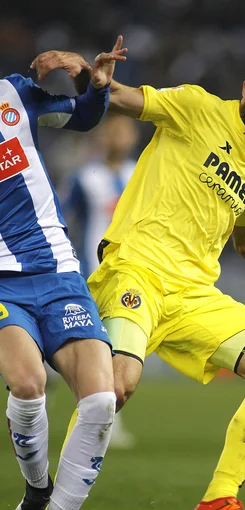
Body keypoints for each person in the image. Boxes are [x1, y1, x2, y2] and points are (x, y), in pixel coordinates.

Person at [35, 39, 245, 510]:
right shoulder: (196, 107)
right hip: (135, 271)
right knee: (115, 387)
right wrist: (88, 79)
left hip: (193, 295)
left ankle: (218, 501)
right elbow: (119, 97)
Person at [0, 37, 127, 510]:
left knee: (101, 401)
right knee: (29, 384)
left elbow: (83, 117)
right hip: (2, 281)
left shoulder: (14, 94)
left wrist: (89, 82)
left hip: (59, 270)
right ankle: (36, 491)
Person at [63, 113, 139, 448]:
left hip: (131, 275)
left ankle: (108, 421)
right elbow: (63, 218)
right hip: (90, 275)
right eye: (113, 131)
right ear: (102, 136)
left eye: (125, 131)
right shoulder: (85, 177)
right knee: (92, 347)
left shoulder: (141, 173)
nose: (119, 137)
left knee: (116, 349)